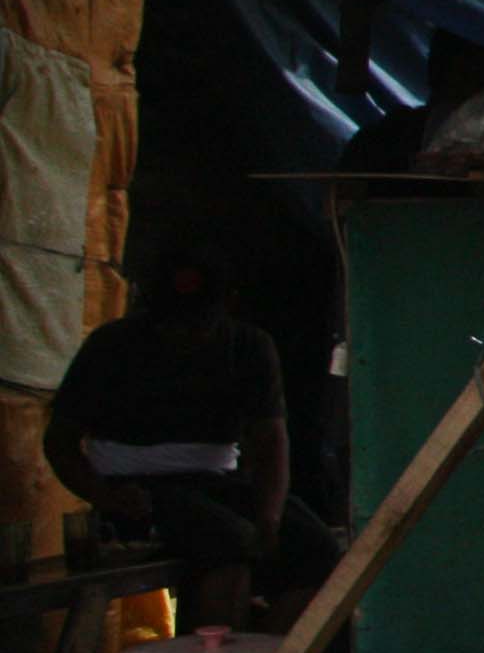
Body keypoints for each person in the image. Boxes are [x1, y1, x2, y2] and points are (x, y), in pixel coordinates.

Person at [41, 252, 335, 631]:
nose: (185, 335)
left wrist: (270, 515)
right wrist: (105, 496)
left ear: (227, 304)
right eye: (172, 323)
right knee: (227, 543)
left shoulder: (248, 346)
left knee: (321, 550)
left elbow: (271, 441)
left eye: (199, 322)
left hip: (217, 483)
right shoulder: (110, 346)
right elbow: (60, 442)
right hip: (135, 492)